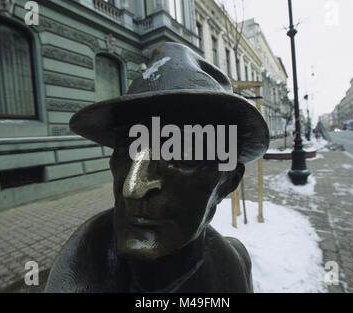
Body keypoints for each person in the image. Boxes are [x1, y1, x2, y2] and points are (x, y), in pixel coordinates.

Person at [45, 42, 269, 292]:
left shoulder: (234, 266)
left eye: (180, 152)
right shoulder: (80, 275)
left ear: (229, 181)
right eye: (127, 149)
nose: (133, 188)